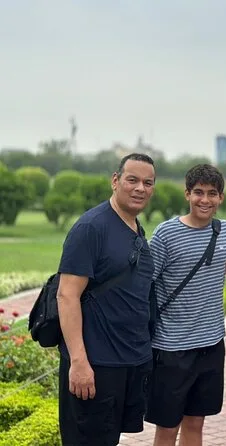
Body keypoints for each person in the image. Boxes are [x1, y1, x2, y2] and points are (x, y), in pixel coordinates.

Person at [56, 153, 156, 446]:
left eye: (148, 183)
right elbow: (67, 295)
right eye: (132, 180)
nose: (140, 188)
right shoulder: (91, 228)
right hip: (95, 364)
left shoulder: (135, 228)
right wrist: (78, 362)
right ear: (115, 180)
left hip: (127, 362)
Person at [145, 164, 226, 445]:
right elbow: (145, 282)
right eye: (198, 192)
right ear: (187, 194)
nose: (205, 199)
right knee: (167, 427)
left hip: (211, 345)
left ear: (221, 197)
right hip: (171, 348)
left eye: (212, 193)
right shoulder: (166, 234)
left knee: (196, 424)